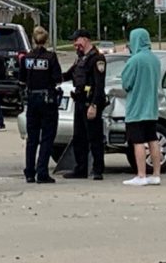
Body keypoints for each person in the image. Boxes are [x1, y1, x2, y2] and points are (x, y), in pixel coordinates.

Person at [62, 28, 107, 180]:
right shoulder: (80, 58)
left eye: (77, 41)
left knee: (94, 137)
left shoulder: (97, 58)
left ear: (85, 39)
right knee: (78, 137)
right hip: (80, 100)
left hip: (91, 103)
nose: (75, 44)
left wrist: (94, 105)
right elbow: (68, 75)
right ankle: (80, 169)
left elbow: (99, 86)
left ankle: (98, 169)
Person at [19, 26, 62, 183]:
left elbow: (21, 81)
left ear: (33, 39)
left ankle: (29, 171)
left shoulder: (26, 58)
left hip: (32, 100)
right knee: (47, 137)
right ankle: (42, 171)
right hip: (47, 100)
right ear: (47, 40)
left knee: (32, 138)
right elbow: (58, 79)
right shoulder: (50, 57)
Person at [121, 28, 163, 186]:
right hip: (152, 108)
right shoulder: (155, 60)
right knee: (153, 140)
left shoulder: (134, 60)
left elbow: (126, 83)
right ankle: (156, 174)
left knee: (138, 142)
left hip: (136, 108)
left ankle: (141, 175)